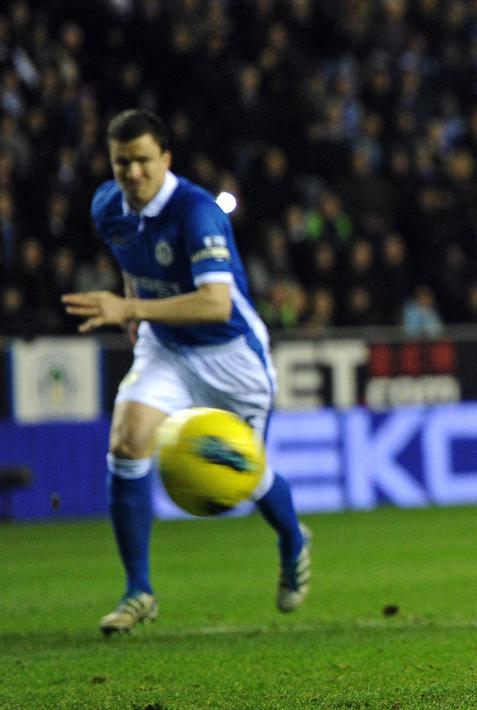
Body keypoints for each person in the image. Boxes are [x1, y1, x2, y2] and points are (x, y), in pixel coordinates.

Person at [62, 109, 311, 635]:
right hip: (166, 347)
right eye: (121, 163)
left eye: (143, 161)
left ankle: (292, 539)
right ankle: (138, 591)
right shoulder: (108, 206)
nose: (132, 174)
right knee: (127, 444)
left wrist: (129, 310)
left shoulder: (196, 212)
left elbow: (216, 304)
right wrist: (134, 309)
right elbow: (135, 266)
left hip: (231, 357)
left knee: (241, 477)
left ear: (166, 159)